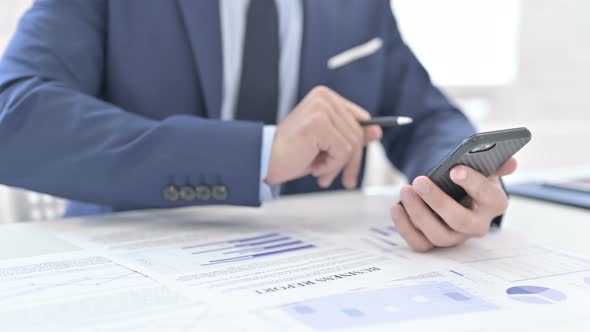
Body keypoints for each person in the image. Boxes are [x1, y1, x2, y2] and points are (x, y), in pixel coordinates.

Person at [0, 0, 516, 252]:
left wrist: (457, 190)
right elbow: (13, 116)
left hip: (316, 274)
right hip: (135, 264)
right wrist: (259, 153)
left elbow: (426, 116)